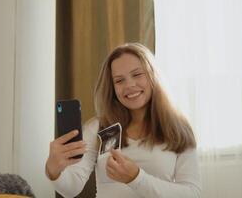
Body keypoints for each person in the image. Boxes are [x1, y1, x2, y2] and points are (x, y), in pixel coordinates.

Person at [45, 43, 201, 198]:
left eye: (137, 74)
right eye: (119, 81)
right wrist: (53, 170)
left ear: (152, 75)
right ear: (112, 88)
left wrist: (136, 178)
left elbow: (192, 194)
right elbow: (71, 188)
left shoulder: (177, 128)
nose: (130, 85)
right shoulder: (101, 127)